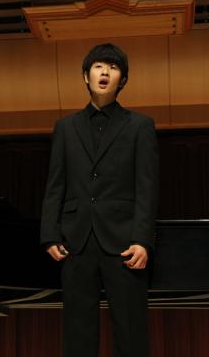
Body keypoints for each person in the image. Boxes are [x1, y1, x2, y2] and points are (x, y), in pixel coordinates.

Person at [40, 43, 159, 357]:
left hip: (124, 241)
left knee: (131, 332)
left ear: (122, 80)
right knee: (78, 332)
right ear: (85, 76)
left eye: (113, 67)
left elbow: (147, 186)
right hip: (76, 239)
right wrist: (49, 233)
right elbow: (56, 184)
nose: (105, 72)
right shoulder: (65, 128)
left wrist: (142, 240)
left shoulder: (140, 126)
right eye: (97, 66)